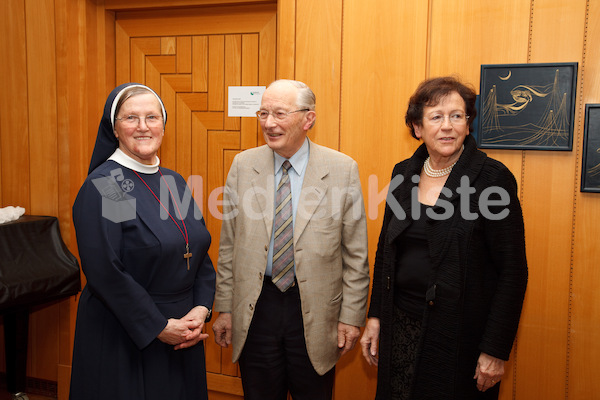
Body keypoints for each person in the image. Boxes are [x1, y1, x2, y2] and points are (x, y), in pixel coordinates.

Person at [360, 76, 528, 400]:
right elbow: (386, 252)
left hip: (460, 336)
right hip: (400, 326)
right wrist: (376, 317)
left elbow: (513, 272)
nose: (447, 126)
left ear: (468, 124)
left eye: (457, 116)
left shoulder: (492, 179)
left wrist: (495, 349)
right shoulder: (403, 173)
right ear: (417, 127)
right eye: (436, 117)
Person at [212, 79, 370, 400]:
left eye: (280, 114)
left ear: (308, 119)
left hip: (315, 311)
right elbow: (228, 245)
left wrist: (351, 318)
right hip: (257, 307)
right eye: (263, 113)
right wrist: (225, 308)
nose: (269, 123)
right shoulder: (243, 166)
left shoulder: (341, 169)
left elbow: (356, 255)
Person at [70, 83, 216, 400]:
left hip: (183, 328)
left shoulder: (173, 181)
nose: (143, 126)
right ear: (115, 128)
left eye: (152, 116)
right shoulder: (109, 185)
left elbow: (197, 248)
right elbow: (107, 269)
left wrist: (202, 308)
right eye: (131, 118)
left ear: (163, 124)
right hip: (129, 330)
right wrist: (158, 326)